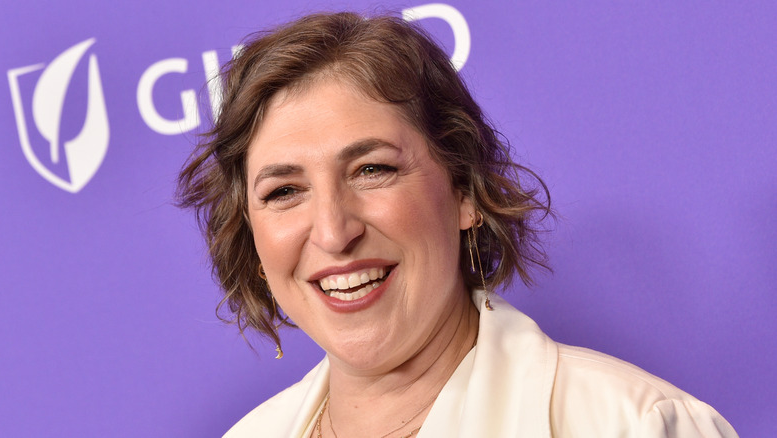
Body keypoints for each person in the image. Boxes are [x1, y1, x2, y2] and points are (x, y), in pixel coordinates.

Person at [177, 12, 738, 438]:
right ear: (250, 235)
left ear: (464, 190)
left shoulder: (632, 425)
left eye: (372, 170)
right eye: (284, 191)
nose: (332, 230)